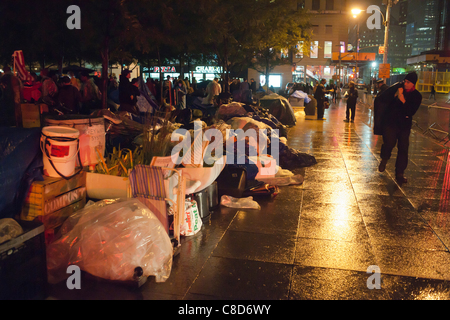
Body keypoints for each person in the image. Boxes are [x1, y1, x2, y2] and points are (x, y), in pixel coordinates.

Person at [377, 72, 422, 184]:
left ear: (413, 84)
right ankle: (384, 159)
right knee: (389, 143)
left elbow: (410, 111)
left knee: (403, 148)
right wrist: (395, 95)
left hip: (404, 126)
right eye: (405, 81)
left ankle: (400, 173)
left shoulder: (416, 96)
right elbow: (383, 99)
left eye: (408, 82)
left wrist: (402, 99)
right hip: (391, 123)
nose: (405, 84)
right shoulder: (397, 88)